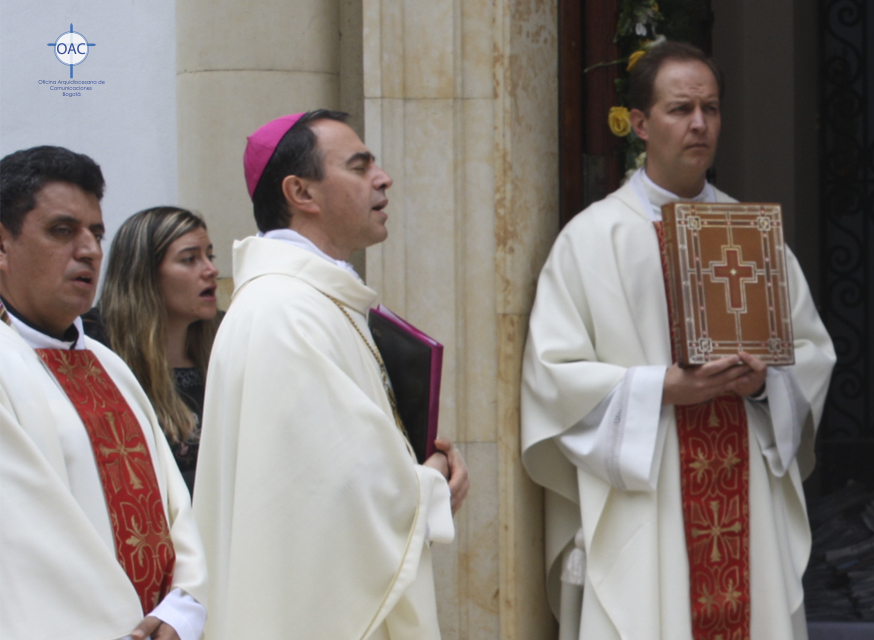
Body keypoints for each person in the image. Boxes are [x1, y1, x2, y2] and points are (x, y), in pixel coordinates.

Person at [521, 41, 836, 640]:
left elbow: (810, 356)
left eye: (710, 109)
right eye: (680, 109)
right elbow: (552, 377)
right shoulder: (593, 240)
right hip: (652, 490)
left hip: (746, 485)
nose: (699, 124)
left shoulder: (753, 235)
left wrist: (765, 384)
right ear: (640, 124)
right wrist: (662, 388)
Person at [194, 110, 468, 639]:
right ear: (301, 192)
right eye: (360, 167)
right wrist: (431, 482)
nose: (383, 178)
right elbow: (325, 491)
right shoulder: (283, 312)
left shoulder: (316, 300)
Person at [0, 146, 206, 639]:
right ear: (2, 247)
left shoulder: (108, 364)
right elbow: (27, 544)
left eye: (96, 233)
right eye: (62, 231)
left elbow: (176, 506)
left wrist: (184, 606)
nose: (90, 250)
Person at [92, 206, 220, 491]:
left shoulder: (225, 337)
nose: (211, 270)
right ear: (144, 274)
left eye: (209, 257)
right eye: (190, 259)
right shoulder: (96, 350)